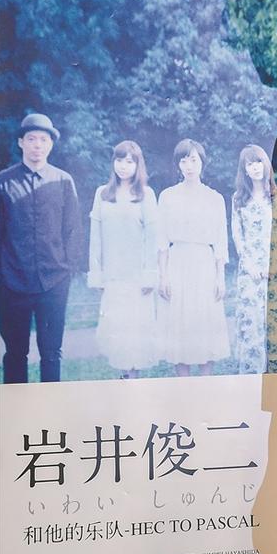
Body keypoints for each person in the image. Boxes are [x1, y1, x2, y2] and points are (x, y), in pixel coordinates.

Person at [0, 113, 82, 383]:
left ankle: (50, 407)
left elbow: (73, 229)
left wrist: (67, 269)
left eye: (43, 140)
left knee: (51, 353)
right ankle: (17, 407)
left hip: (54, 282)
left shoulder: (63, 181)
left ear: (50, 144)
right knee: (15, 353)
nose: (37, 145)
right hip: (12, 283)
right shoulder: (2, 182)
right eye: (31, 139)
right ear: (21, 142)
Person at [158, 139, 230, 376]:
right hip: (178, 263)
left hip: (204, 264)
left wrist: (220, 278)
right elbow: (161, 241)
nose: (189, 166)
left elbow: (220, 241)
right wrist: (163, 276)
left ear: (202, 163)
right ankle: (184, 386)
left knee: (204, 322)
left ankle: (205, 384)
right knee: (180, 324)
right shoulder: (167, 196)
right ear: (178, 165)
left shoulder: (214, 198)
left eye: (193, 160)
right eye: (183, 160)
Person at [88, 140, 159, 378]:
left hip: (137, 279)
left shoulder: (146, 195)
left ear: (138, 165)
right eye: (119, 160)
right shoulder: (102, 194)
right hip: (113, 277)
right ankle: (124, 379)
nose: (123, 166)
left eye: (129, 161)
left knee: (135, 336)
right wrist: (97, 275)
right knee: (117, 335)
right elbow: (95, 238)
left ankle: (134, 382)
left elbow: (152, 239)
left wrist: (150, 275)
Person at [231, 144, 277, 374]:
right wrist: (249, 265)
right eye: (250, 164)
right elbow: (238, 234)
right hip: (249, 272)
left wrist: (269, 266)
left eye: (259, 162)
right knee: (251, 323)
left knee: (276, 323)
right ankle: (252, 374)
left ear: (266, 164)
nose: (255, 167)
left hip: (275, 270)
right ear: (244, 169)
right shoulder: (238, 199)